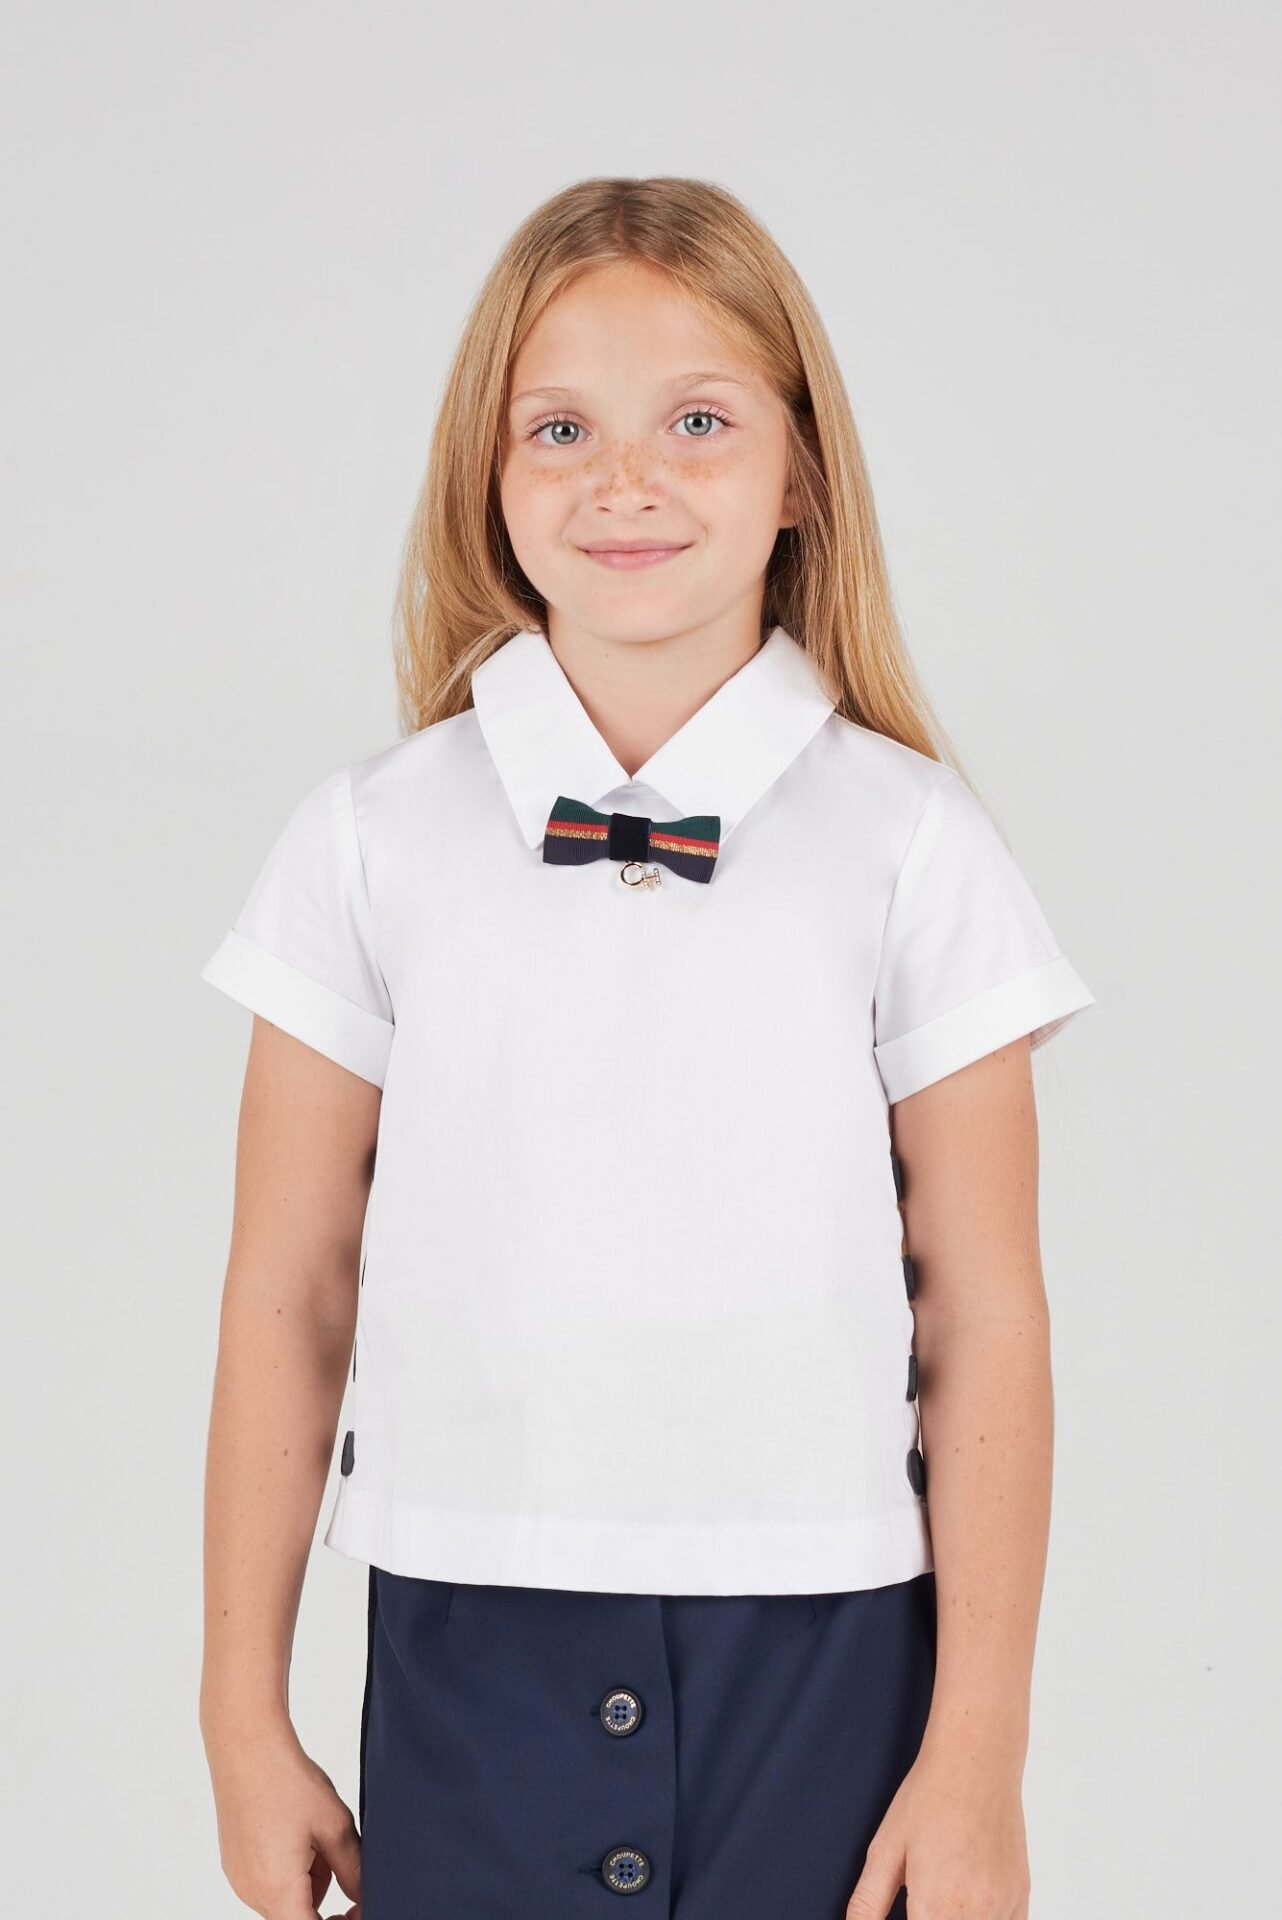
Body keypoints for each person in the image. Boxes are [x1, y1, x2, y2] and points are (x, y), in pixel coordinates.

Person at [198, 175, 1095, 1920]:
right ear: (486, 473)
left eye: (697, 421)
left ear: (799, 472)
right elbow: (288, 1289)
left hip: (827, 1646)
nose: (627, 480)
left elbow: (984, 1312)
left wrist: (976, 1752)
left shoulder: (911, 842)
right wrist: (243, 1714)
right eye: (560, 428)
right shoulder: (370, 838)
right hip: (465, 1629)